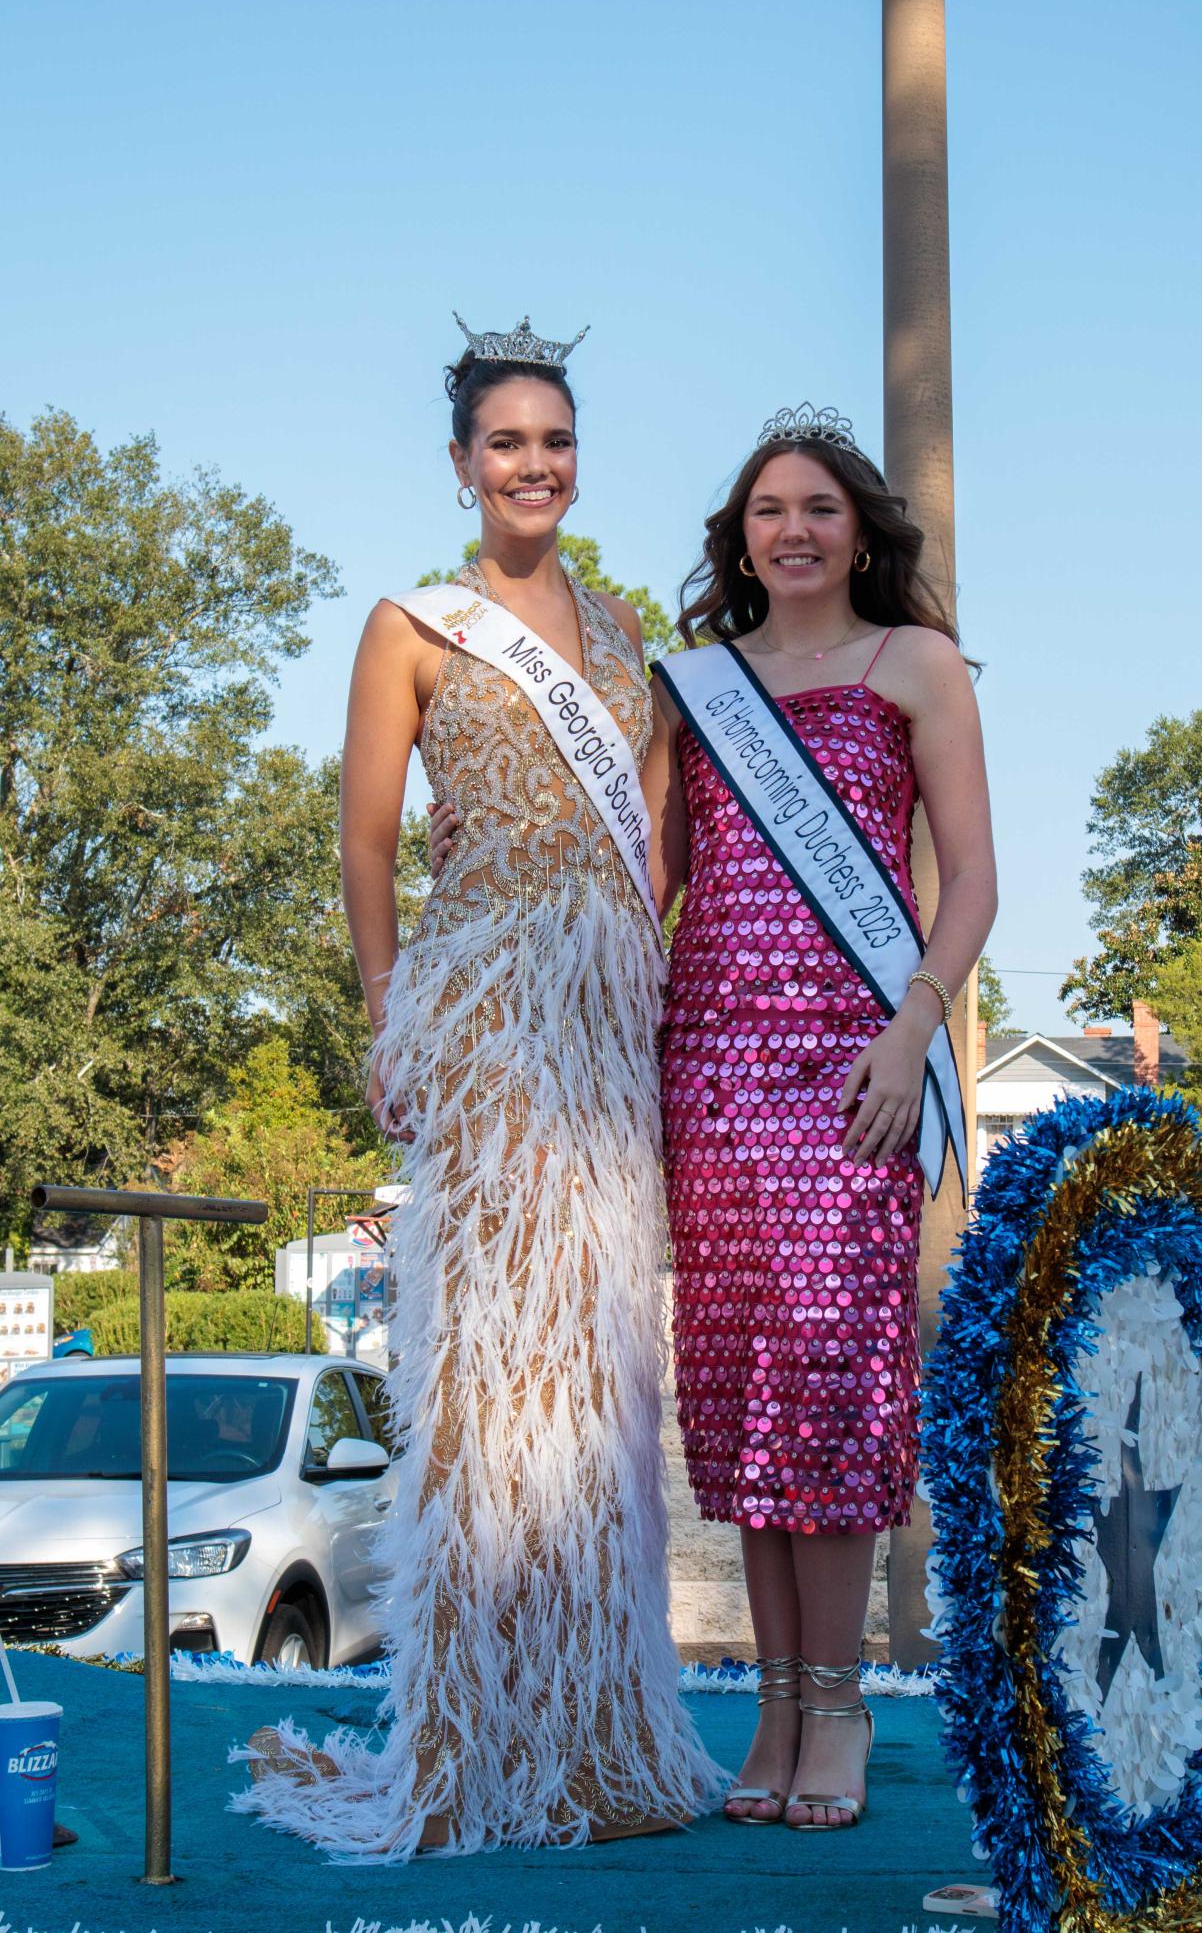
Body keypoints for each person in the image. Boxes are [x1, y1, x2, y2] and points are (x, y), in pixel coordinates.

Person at [237, 314, 726, 1859]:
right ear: (462, 463)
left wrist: (645, 964)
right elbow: (367, 842)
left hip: (603, 1017)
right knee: (492, 1375)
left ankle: (589, 1728)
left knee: (590, 1377)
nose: (534, 464)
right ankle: (474, 1732)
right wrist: (392, 1014)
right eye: (506, 442)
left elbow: (657, 834)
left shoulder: (624, 626)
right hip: (486, 1003)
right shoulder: (414, 625)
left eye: (556, 442)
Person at [647, 406, 996, 1831]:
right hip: (713, 1068)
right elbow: (646, 881)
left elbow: (971, 879)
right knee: (738, 1380)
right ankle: (774, 1704)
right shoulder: (692, 685)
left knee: (837, 1379)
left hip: (854, 1066)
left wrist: (911, 1029)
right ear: (739, 537)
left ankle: (837, 1705)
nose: (790, 529)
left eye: (818, 508)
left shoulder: (911, 665)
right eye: (765, 510)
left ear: (860, 528)